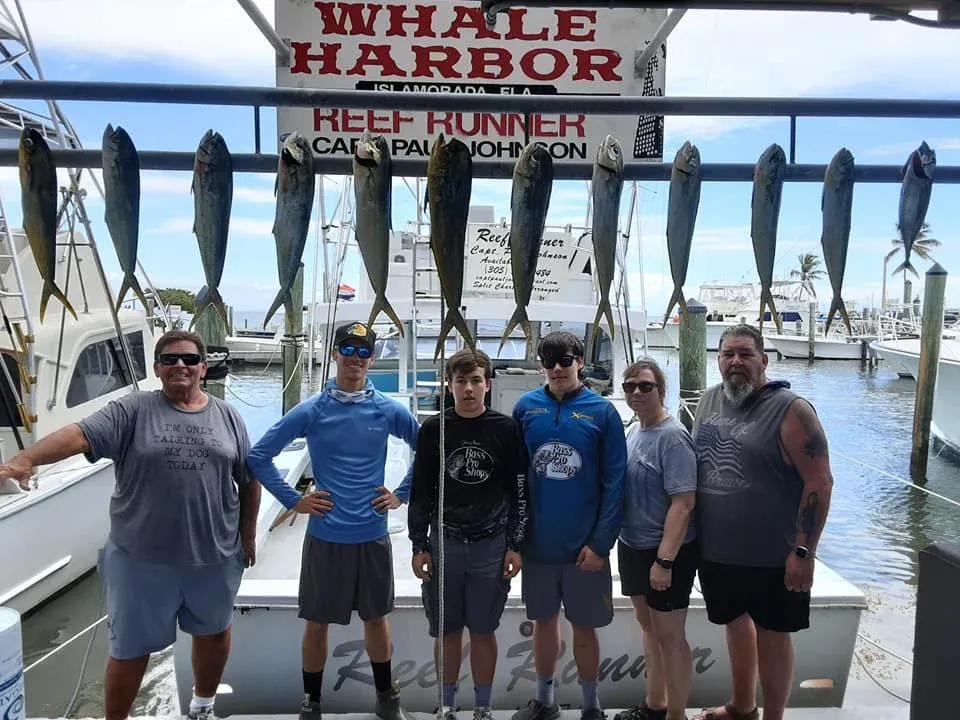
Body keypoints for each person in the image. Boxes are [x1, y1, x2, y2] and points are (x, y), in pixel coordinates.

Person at [0, 329, 260, 720]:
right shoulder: (132, 410)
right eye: (169, 359)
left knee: (214, 633)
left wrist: (248, 536)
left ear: (203, 368)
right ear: (156, 369)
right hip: (141, 560)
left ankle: (202, 707)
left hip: (214, 555)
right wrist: (26, 459)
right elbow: (78, 435)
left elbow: (249, 479)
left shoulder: (229, 416)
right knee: (129, 650)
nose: (180, 366)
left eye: (189, 359)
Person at [246, 321, 419, 720]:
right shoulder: (311, 410)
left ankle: (386, 700)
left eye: (363, 352)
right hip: (325, 536)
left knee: (377, 620)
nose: (355, 359)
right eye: (348, 350)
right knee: (317, 623)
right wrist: (294, 500)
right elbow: (259, 456)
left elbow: (425, 449)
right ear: (335, 354)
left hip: (372, 534)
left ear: (372, 359)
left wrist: (402, 494)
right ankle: (312, 703)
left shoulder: (389, 409)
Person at [691, 324, 834, 720]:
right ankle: (741, 706)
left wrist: (804, 552)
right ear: (717, 360)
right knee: (734, 625)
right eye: (727, 354)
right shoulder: (707, 400)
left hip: (774, 554)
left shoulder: (791, 409)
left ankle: (773, 716)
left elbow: (819, 482)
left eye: (746, 354)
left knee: (773, 635)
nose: (736, 362)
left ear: (763, 360)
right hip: (718, 550)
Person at [509, 330, 627, 720]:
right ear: (540, 365)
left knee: (585, 628)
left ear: (580, 362)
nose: (557, 369)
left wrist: (601, 543)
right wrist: (516, 538)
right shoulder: (526, 408)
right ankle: (546, 702)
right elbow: (516, 478)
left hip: (585, 549)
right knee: (543, 624)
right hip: (539, 545)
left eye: (565, 360)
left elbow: (616, 483)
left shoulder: (603, 412)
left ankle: (592, 708)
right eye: (549, 361)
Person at [408, 348, 528, 720]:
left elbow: (520, 490)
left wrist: (515, 544)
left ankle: (483, 706)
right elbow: (421, 490)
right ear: (450, 385)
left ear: (488, 385)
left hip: (491, 544)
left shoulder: (506, 429)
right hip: (444, 543)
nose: (469, 388)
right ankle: (446, 705)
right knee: (447, 630)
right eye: (461, 381)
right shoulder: (433, 429)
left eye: (476, 380)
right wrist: (418, 544)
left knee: (482, 630)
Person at [615, 359, 698, 720]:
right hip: (632, 545)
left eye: (645, 385)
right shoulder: (634, 431)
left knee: (670, 635)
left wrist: (665, 561)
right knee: (648, 627)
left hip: (665, 552)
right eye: (630, 385)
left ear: (661, 390)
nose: (636, 392)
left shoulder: (673, 436)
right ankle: (655, 703)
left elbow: (684, 503)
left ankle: (676, 714)